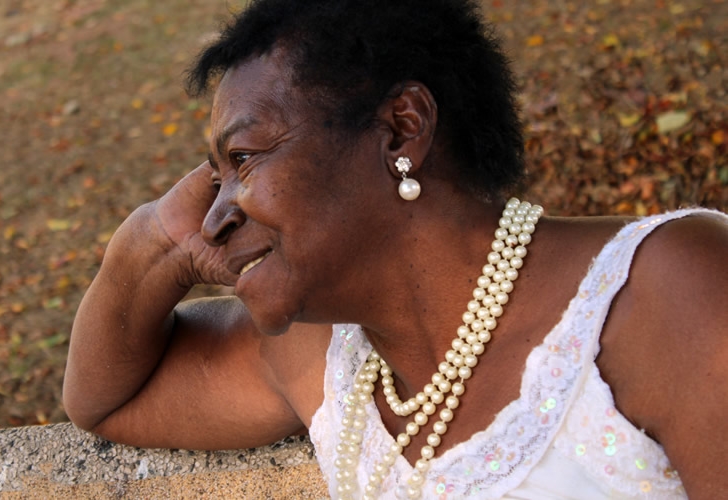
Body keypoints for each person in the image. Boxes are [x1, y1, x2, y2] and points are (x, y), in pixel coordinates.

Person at [62, 0, 728, 498]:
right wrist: (158, 240)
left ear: (401, 130)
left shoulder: (669, 293)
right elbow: (104, 400)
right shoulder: (323, 362)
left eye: (243, 158)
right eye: (216, 177)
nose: (216, 216)